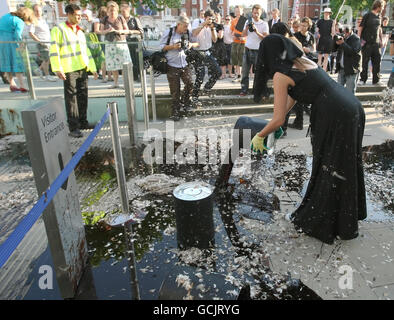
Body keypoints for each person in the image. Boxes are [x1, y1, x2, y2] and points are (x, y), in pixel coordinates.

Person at [252, 34, 366, 244]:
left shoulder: (280, 75)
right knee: (346, 163)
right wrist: (278, 124)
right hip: (351, 106)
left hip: (334, 113)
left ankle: (322, 220)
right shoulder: (304, 62)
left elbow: (277, 118)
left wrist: (260, 135)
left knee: (328, 164)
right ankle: (345, 220)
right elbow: (295, 97)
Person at [50, 4, 98, 138]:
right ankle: (73, 127)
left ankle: (83, 122)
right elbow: (54, 50)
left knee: (83, 95)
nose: (79, 18)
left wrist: (93, 68)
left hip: (82, 67)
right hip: (69, 69)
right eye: (77, 15)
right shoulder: (59, 29)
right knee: (71, 99)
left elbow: (86, 51)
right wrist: (58, 68)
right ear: (69, 14)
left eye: (80, 15)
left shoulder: (80, 31)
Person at [160, 16, 198, 121]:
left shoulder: (187, 33)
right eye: (185, 27)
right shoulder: (169, 32)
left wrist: (191, 44)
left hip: (185, 63)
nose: (186, 29)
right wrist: (173, 46)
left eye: (187, 27)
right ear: (178, 25)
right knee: (175, 90)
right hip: (172, 65)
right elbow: (161, 47)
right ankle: (175, 112)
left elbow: (197, 43)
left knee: (190, 83)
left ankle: (185, 103)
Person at [0, 7, 36, 92]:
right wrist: (21, 44)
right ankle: (22, 85)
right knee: (17, 63)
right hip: (11, 42)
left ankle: (12, 84)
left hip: (1, 42)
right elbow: (17, 35)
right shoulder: (19, 21)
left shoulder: (6, 16)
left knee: (7, 62)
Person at [191, 9, 221, 107]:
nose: (210, 20)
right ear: (205, 17)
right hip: (197, 53)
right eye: (209, 19)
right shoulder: (198, 22)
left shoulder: (211, 26)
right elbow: (194, 33)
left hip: (207, 52)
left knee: (218, 71)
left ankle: (207, 88)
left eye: (212, 19)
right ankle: (194, 97)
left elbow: (215, 39)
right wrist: (204, 23)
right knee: (200, 76)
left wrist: (212, 28)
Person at [100, 1, 132, 89]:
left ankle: (126, 83)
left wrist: (119, 31)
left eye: (114, 10)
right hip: (110, 44)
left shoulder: (121, 18)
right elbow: (100, 32)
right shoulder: (104, 19)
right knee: (113, 64)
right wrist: (108, 31)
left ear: (117, 11)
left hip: (121, 43)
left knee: (124, 64)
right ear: (107, 11)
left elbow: (127, 30)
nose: (112, 12)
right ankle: (116, 83)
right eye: (110, 10)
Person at [239, 4, 268, 96]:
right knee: (245, 72)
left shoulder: (264, 24)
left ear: (261, 13)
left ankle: (257, 90)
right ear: (252, 12)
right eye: (254, 13)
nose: (256, 15)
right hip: (247, 49)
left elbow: (265, 38)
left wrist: (256, 31)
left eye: (258, 13)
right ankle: (244, 90)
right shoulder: (247, 21)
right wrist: (247, 27)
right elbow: (243, 35)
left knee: (259, 73)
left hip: (258, 51)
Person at [359, 0, 386, 85]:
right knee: (365, 62)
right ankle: (363, 79)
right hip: (366, 43)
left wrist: (381, 40)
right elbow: (360, 28)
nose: (383, 8)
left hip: (376, 43)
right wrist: (358, 40)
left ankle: (376, 80)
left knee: (377, 62)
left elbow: (380, 29)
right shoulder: (367, 15)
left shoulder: (379, 17)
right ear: (378, 6)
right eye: (382, 7)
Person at [29, 4, 56, 82]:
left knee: (49, 58)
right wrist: (38, 41)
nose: (38, 12)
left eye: (39, 10)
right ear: (33, 11)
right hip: (42, 43)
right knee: (46, 59)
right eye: (36, 10)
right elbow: (31, 33)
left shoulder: (43, 20)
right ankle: (47, 75)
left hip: (48, 42)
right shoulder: (33, 21)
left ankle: (39, 69)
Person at [120, 1, 144, 82]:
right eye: (122, 11)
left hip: (134, 42)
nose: (123, 13)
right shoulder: (119, 20)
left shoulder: (134, 19)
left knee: (136, 60)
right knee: (127, 61)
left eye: (124, 11)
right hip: (124, 43)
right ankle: (131, 78)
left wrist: (130, 31)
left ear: (129, 10)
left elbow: (141, 31)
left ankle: (139, 76)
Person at [335, 25, 362, 94]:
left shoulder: (356, 39)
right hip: (342, 68)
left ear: (349, 31)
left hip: (352, 69)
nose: (344, 34)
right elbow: (333, 49)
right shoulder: (342, 38)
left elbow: (353, 52)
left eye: (345, 32)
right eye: (343, 32)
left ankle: (350, 105)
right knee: (339, 92)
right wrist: (335, 42)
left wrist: (343, 43)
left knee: (350, 92)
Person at [93, 6, 112, 82]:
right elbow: (96, 31)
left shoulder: (106, 20)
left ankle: (109, 76)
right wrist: (107, 31)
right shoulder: (98, 20)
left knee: (108, 58)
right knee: (104, 58)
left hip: (106, 39)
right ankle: (103, 75)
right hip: (102, 40)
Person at [230, 6, 246, 82]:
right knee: (235, 59)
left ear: (242, 11)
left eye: (239, 11)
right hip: (235, 41)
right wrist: (233, 35)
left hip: (243, 42)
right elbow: (232, 31)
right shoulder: (233, 21)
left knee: (241, 59)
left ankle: (241, 75)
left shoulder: (244, 20)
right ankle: (238, 75)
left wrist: (243, 37)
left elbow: (248, 32)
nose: (237, 13)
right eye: (236, 11)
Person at [316, 8, 335, 72]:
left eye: (328, 13)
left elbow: (333, 33)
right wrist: (318, 33)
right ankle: (318, 70)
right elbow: (317, 30)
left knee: (326, 56)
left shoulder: (332, 22)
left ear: (329, 14)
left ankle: (324, 70)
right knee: (320, 56)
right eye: (325, 12)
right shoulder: (320, 21)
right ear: (324, 13)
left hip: (328, 40)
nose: (326, 14)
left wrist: (333, 25)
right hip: (321, 39)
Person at [211, 12, 227, 80]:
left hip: (220, 45)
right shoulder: (212, 25)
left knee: (222, 60)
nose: (217, 18)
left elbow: (220, 36)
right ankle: (216, 74)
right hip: (213, 45)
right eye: (215, 17)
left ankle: (223, 74)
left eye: (218, 17)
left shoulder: (220, 26)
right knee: (215, 61)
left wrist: (214, 34)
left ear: (220, 17)